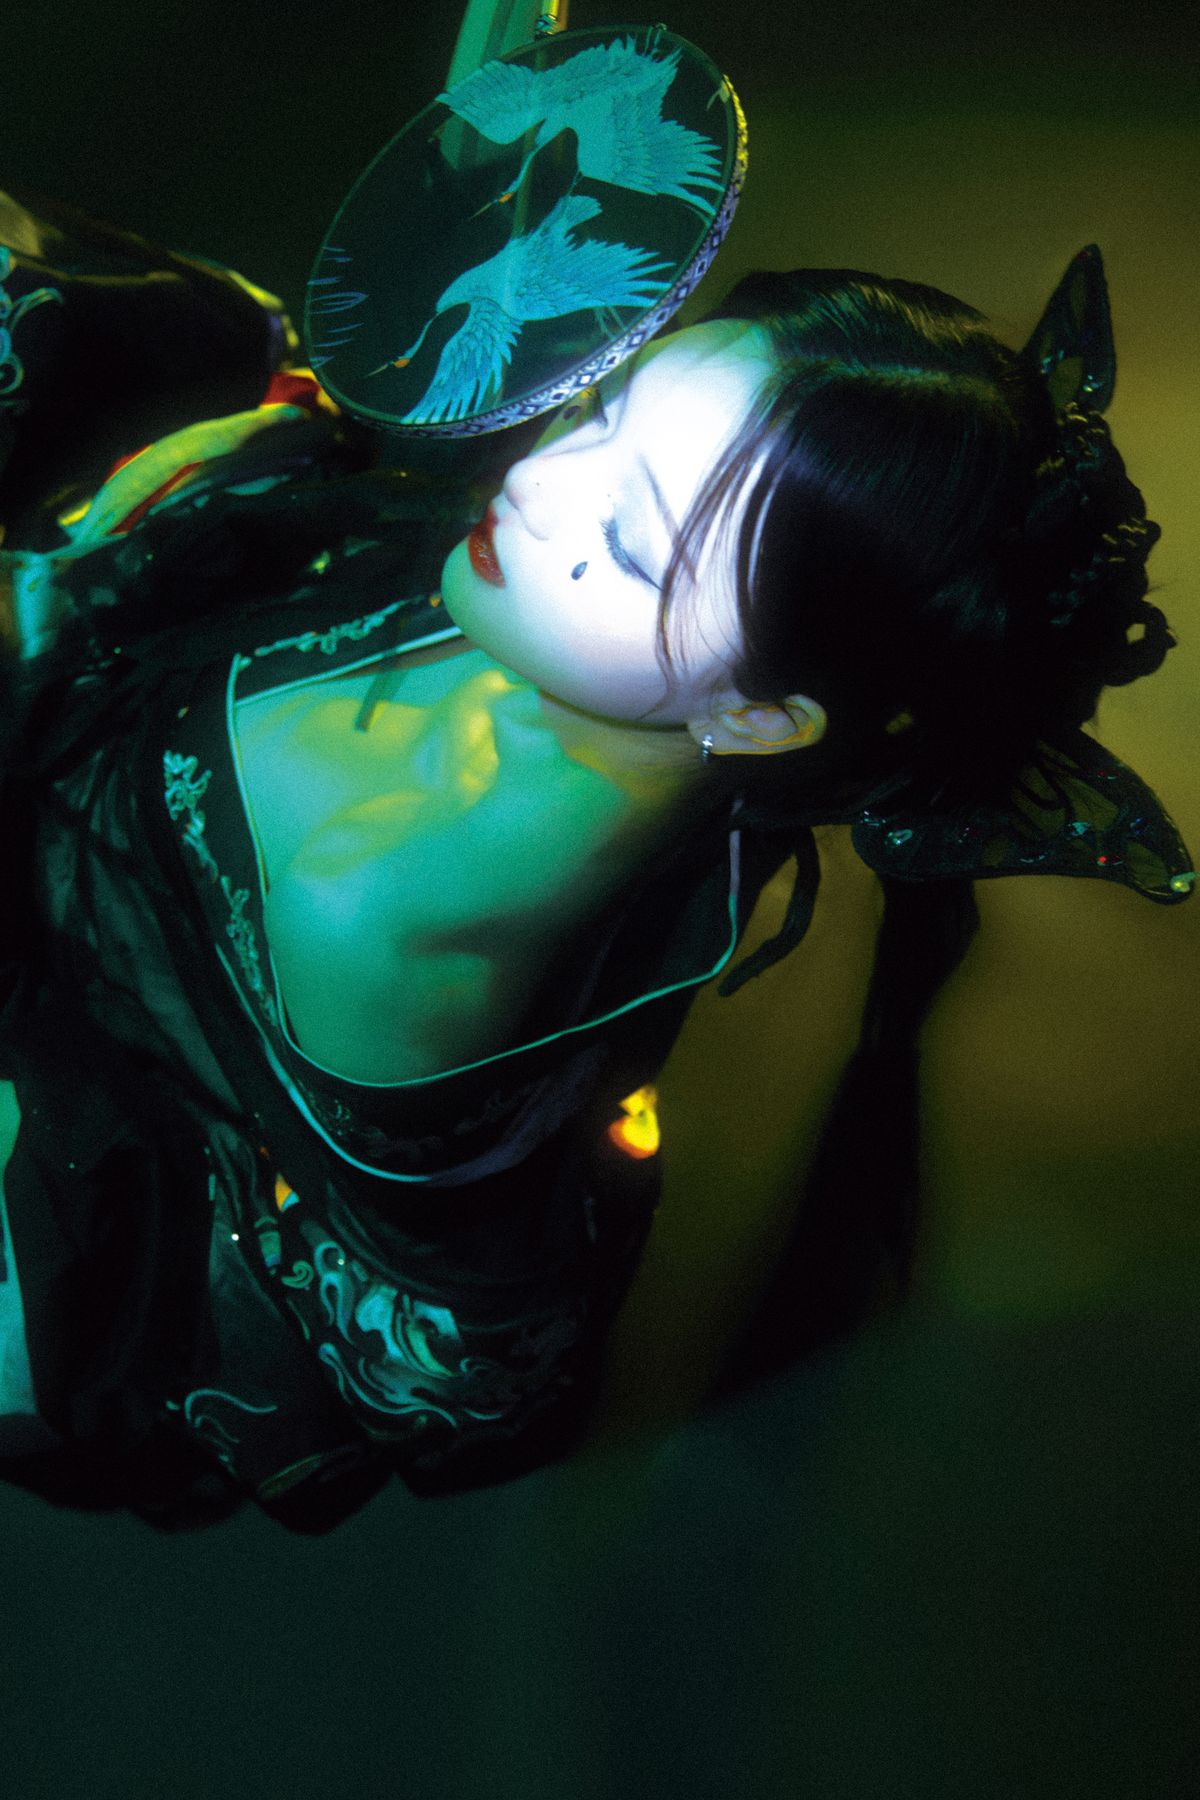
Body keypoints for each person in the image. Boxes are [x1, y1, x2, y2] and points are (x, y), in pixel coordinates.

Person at [0, 189, 1191, 1529]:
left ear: (757, 717)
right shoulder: (580, 656)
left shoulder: (375, 903)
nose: (538, 478)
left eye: (629, 542)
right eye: (600, 411)